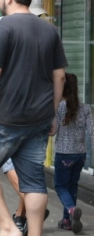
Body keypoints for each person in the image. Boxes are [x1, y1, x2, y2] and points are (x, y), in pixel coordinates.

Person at [0, 0, 66, 236]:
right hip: (40, 118)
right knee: (34, 180)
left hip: (6, 116)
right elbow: (60, 76)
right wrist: (53, 112)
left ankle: (7, 226)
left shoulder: (4, 27)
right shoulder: (50, 30)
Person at [54, 73, 90, 233]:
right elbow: (93, 131)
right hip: (80, 155)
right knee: (72, 186)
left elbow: (52, 130)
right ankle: (67, 221)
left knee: (61, 186)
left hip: (64, 154)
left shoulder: (59, 107)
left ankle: (71, 210)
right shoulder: (86, 108)